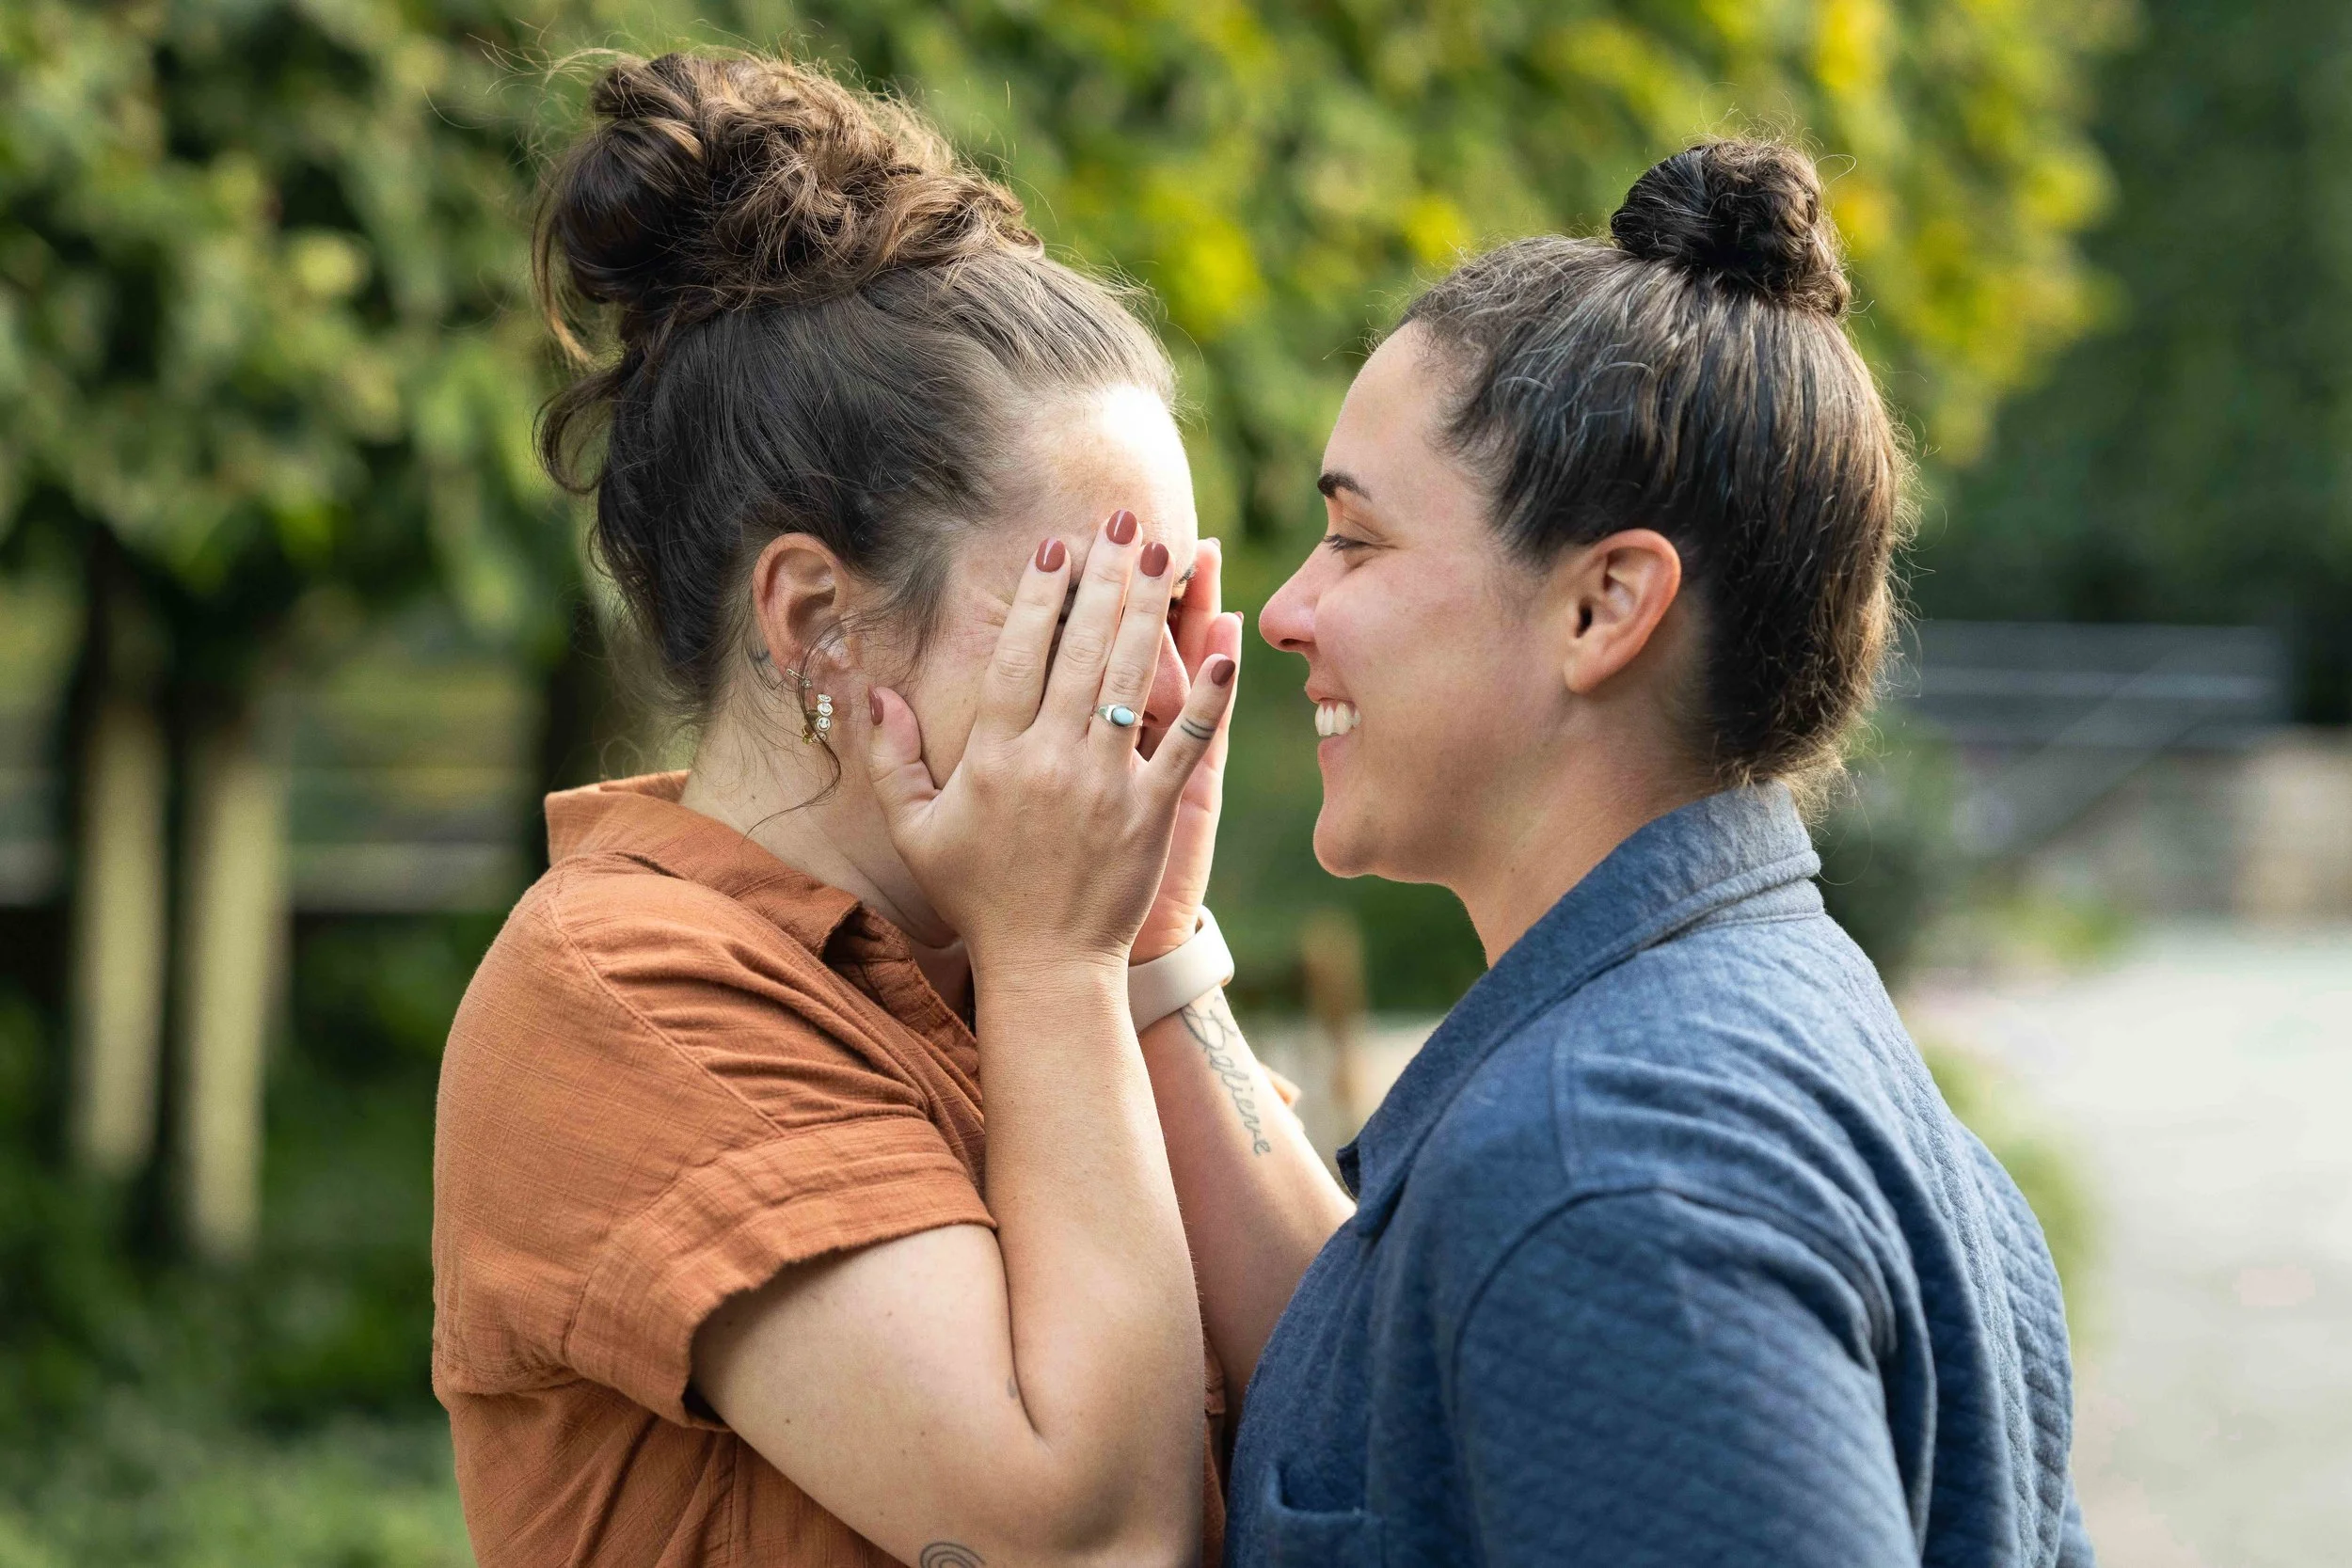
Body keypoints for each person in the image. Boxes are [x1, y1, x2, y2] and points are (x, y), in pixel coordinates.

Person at [430, 51, 1347, 1568]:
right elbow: (1095, 1542)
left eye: (1178, 604)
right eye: (1093, 619)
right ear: (812, 619)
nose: (1175, 678)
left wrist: (1149, 956)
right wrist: (1061, 961)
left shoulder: (1003, 943)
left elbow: (1369, 1406)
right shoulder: (627, 993)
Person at [1226, 139, 2095, 1566]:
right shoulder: (1777, 1052)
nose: (1285, 609)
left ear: (1604, 606)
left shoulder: (1608, 1177)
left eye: (1354, 540)